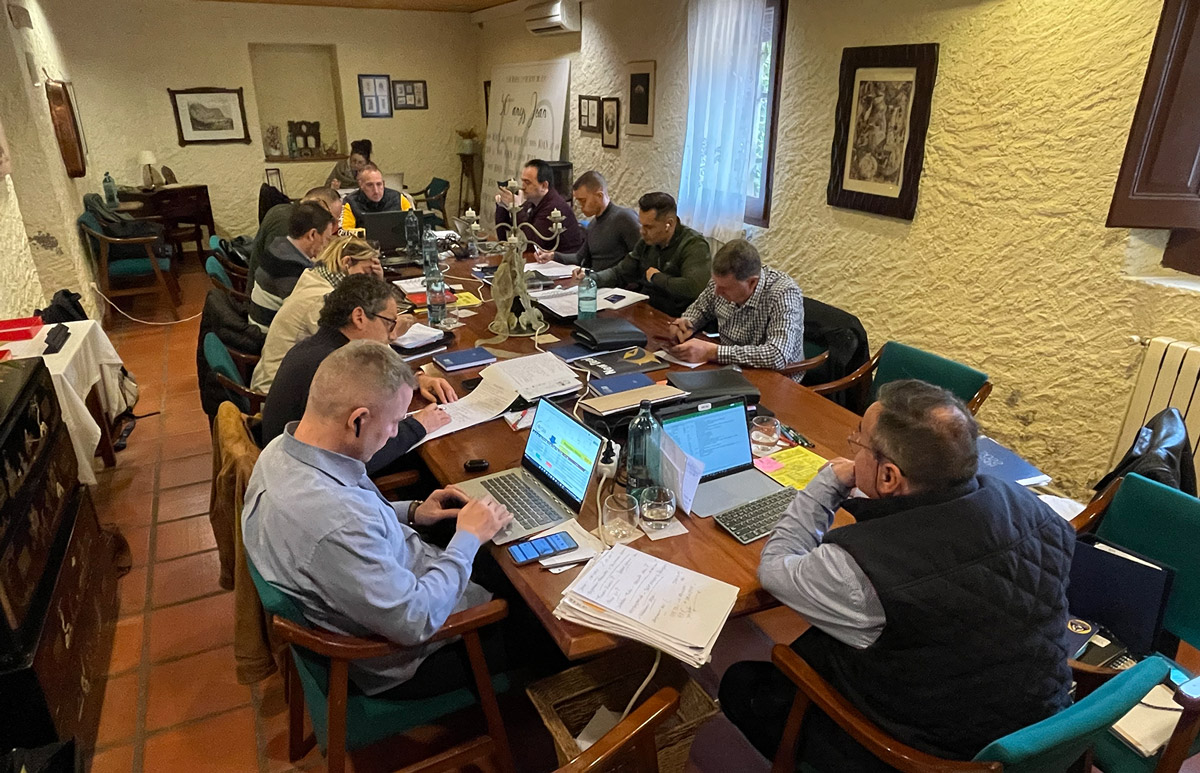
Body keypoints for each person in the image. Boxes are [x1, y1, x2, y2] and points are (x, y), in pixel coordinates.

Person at [720, 380, 1075, 771]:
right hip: (1042, 726)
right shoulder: (1033, 508)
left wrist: (830, 481)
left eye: (858, 442)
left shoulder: (861, 573)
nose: (853, 447)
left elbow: (774, 568)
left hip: (931, 756)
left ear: (889, 477)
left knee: (742, 684)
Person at [243, 339, 514, 696]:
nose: (395, 433)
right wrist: (468, 538)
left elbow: (357, 519)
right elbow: (415, 621)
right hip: (403, 655)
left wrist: (413, 511)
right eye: (396, 422)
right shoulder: (335, 521)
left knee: (499, 552)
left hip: (387, 586)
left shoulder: (280, 450)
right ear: (358, 420)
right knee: (540, 619)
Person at [261, 275, 455, 474]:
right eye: (389, 323)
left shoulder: (318, 347)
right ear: (359, 317)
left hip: (283, 463)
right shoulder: (336, 368)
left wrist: (413, 381)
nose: (392, 335)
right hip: (309, 475)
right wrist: (419, 425)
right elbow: (359, 454)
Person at [251, 236, 384, 393]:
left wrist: (377, 284)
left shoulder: (317, 277)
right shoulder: (321, 299)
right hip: (277, 389)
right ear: (347, 263)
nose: (366, 280)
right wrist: (388, 332)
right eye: (366, 272)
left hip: (290, 378)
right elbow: (351, 349)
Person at [666, 240, 806, 380]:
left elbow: (777, 355)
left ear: (752, 282)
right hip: (729, 370)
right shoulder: (721, 282)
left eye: (725, 288)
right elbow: (700, 309)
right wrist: (686, 323)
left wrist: (714, 352)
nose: (716, 292)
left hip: (775, 378)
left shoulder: (784, 293)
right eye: (715, 283)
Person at [581, 192, 710, 317]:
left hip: (677, 318)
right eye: (641, 225)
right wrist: (589, 279)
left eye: (649, 227)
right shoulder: (647, 242)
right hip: (647, 310)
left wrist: (656, 277)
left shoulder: (694, 245)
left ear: (669, 224)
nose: (642, 231)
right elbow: (620, 273)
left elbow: (693, 288)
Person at [249, 202, 335, 332]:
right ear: (312, 235)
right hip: (266, 334)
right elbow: (306, 317)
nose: (326, 245)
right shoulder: (290, 269)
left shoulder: (279, 246)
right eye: (327, 239)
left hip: (260, 323)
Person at [534, 170, 640, 272]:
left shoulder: (624, 218)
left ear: (599, 196)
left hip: (617, 282)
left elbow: (641, 257)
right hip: (597, 279)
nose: (581, 206)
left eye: (583, 201)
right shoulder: (593, 225)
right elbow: (579, 258)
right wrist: (552, 255)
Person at [249, 187, 341, 293]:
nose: (336, 226)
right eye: (332, 219)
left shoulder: (284, 210)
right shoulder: (286, 225)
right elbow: (292, 278)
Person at [494, 159, 584, 253]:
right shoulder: (532, 202)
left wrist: (518, 207)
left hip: (561, 260)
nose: (523, 187)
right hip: (540, 259)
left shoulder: (554, 207)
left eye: (527, 182)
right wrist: (503, 207)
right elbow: (505, 237)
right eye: (522, 181)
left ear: (544, 185)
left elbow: (532, 244)